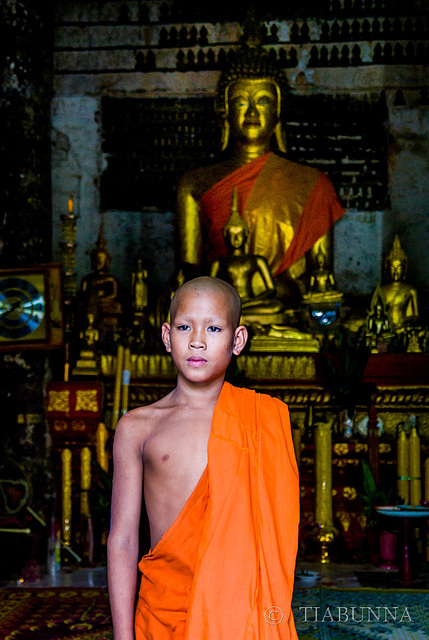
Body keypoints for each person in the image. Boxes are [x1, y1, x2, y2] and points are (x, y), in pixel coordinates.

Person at [107, 276, 300, 640]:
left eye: (213, 327)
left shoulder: (261, 419)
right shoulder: (137, 427)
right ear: (167, 336)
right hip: (164, 608)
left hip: (239, 611)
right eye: (184, 327)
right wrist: (122, 635)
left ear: (237, 340)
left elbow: (275, 533)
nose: (197, 340)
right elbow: (123, 538)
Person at [177, 19, 344, 296]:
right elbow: (188, 275)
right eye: (241, 101)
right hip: (217, 310)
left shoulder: (314, 184)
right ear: (224, 110)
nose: (252, 112)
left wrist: (285, 290)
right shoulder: (193, 184)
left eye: (263, 100)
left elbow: (321, 274)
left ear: (279, 110)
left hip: (282, 306)